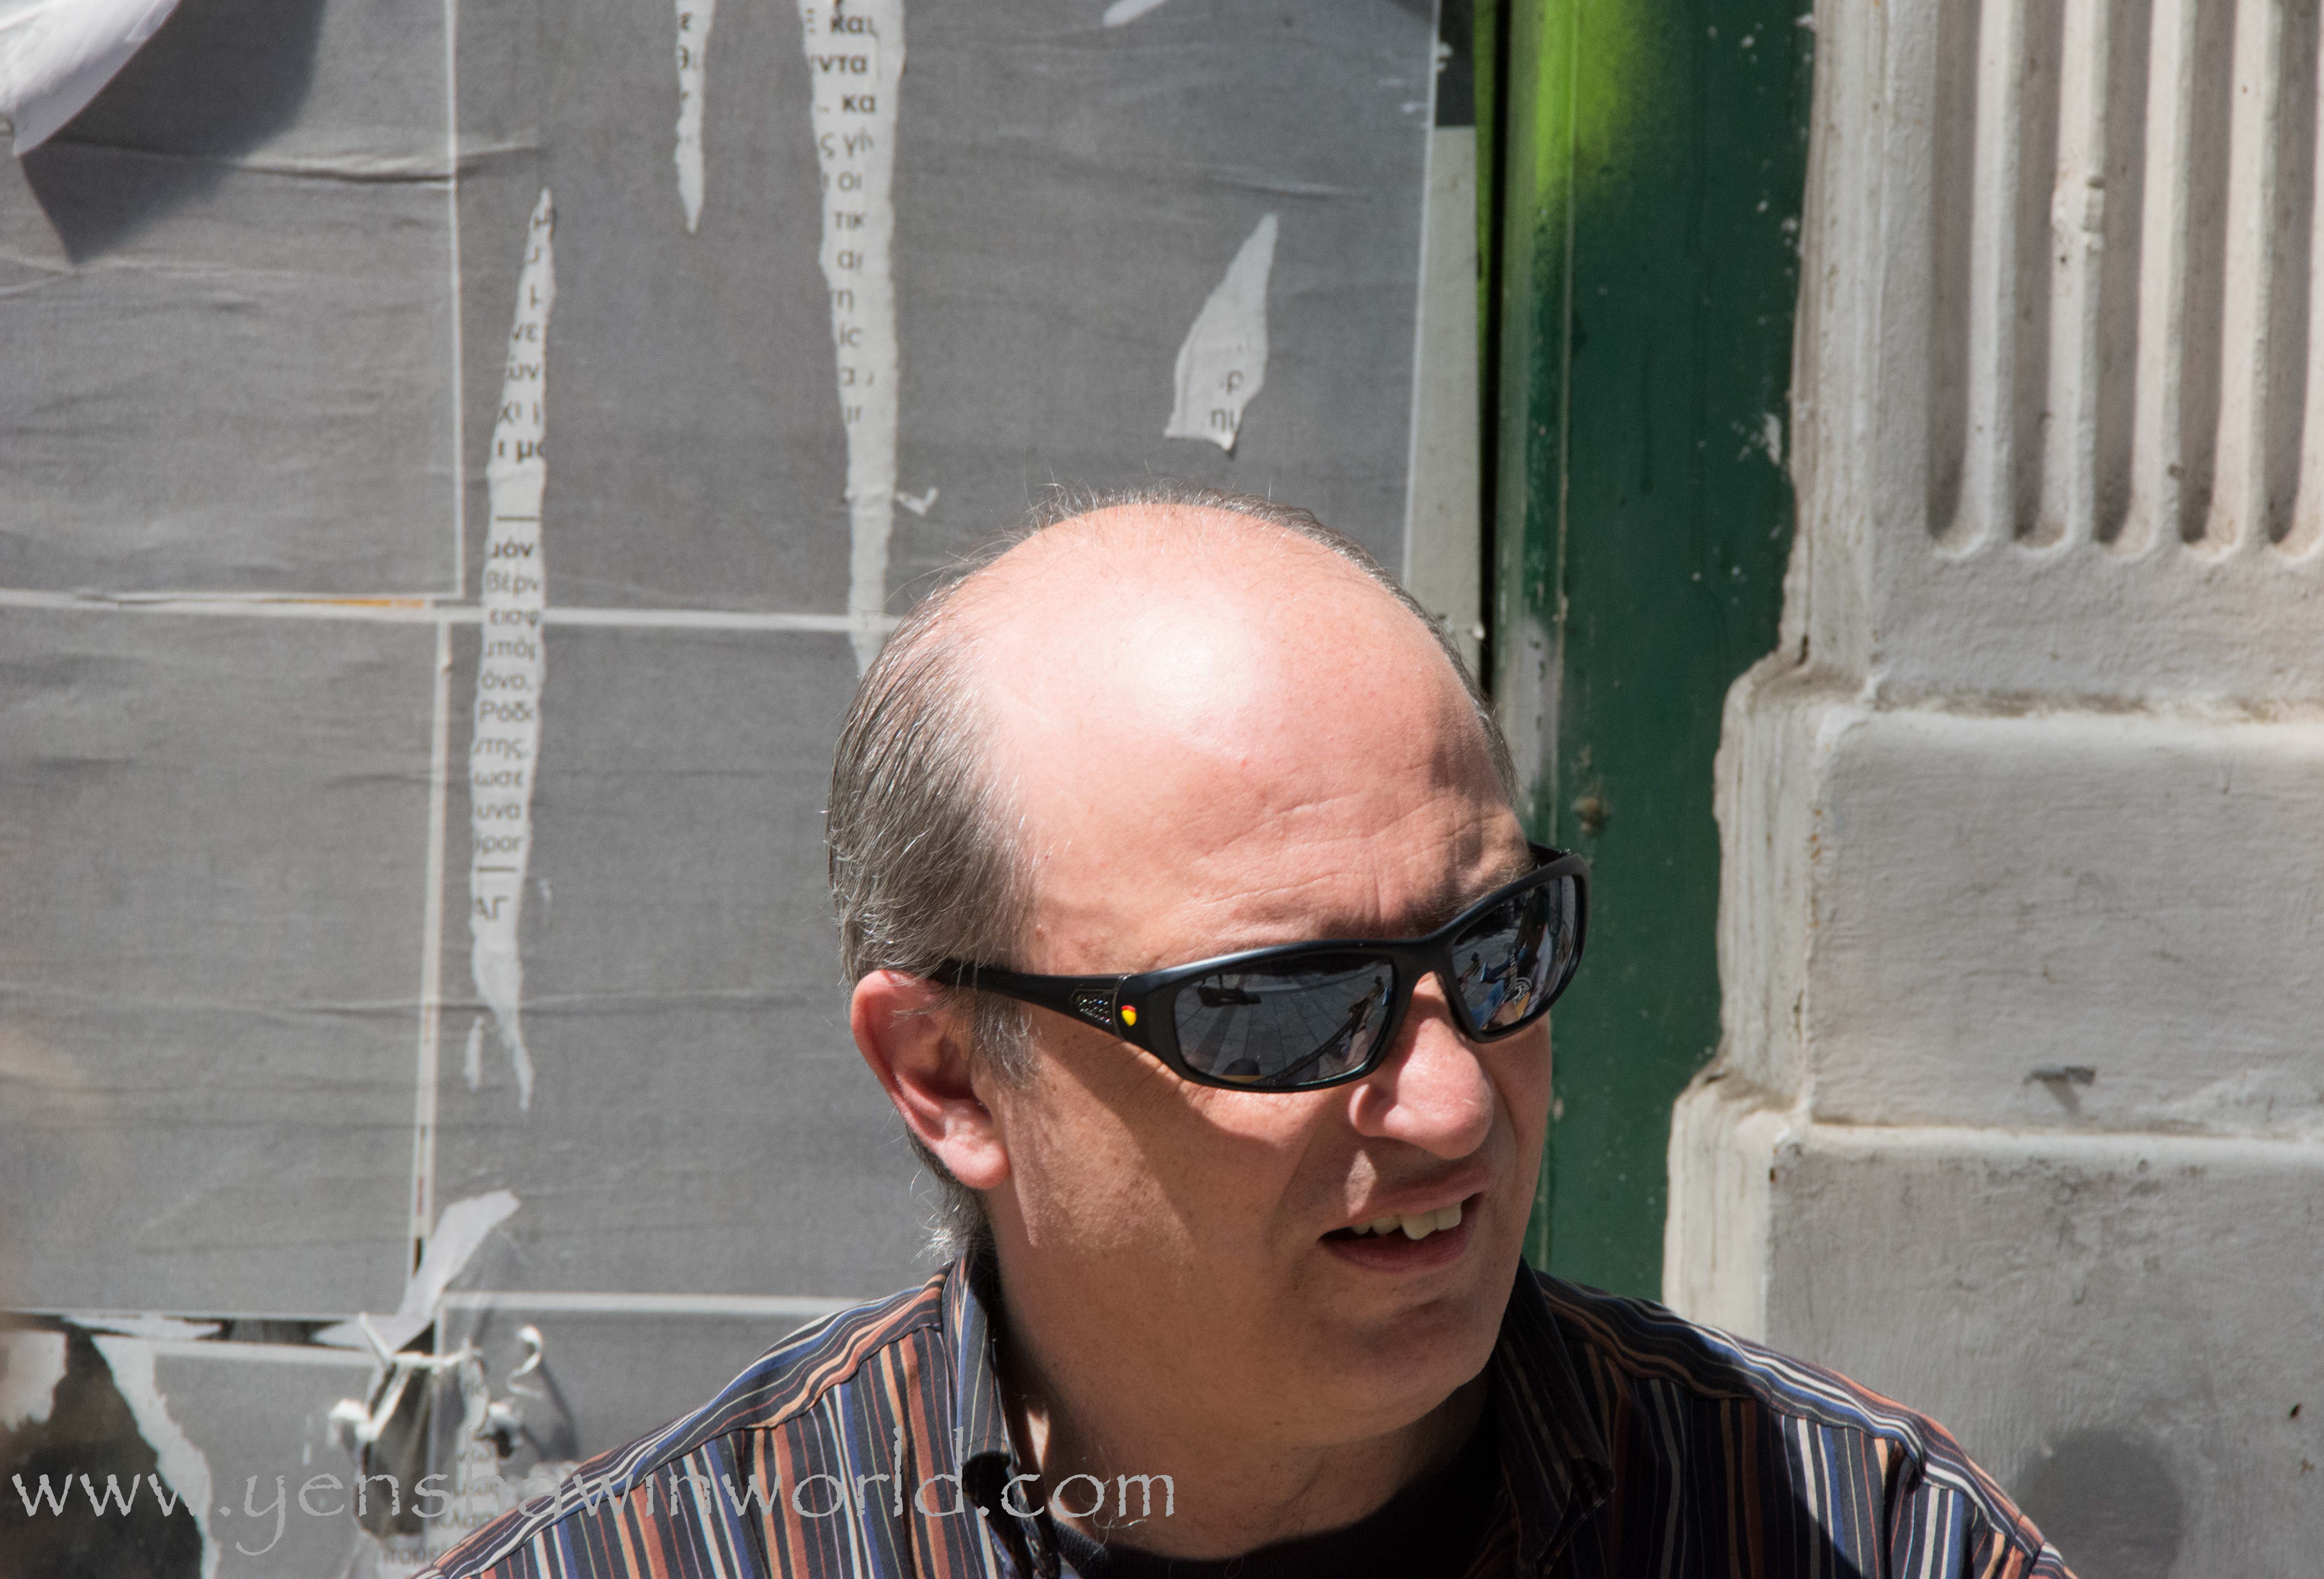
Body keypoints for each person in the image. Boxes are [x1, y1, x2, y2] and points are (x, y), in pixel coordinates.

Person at [421, 489, 2071, 1579]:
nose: (1450, 1105)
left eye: (1496, 948)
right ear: (946, 1074)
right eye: (1281, 1007)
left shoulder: (1854, 1539)